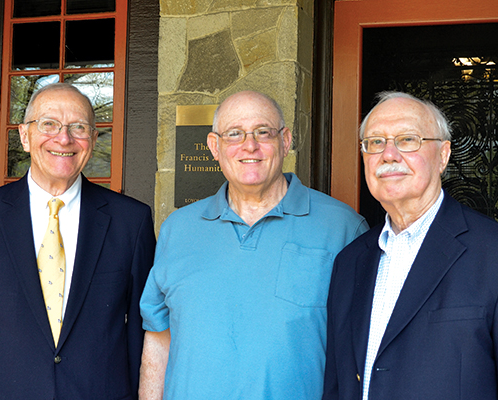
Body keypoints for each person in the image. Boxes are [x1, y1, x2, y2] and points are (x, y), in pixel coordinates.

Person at [139, 90, 368, 400]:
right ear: (214, 146)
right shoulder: (178, 229)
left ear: (285, 140)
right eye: (234, 134)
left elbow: (362, 347)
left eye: (263, 132)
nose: (250, 145)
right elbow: (158, 337)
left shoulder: (342, 227)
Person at [0, 82, 156, 399]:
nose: (64, 138)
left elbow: (143, 333)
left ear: (92, 138)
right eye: (49, 124)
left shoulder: (131, 222)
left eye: (78, 127)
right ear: (25, 136)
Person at [323, 91, 498, 400]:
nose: (389, 154)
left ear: (444, 155)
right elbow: (338, 385)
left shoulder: (496, 254)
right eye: (375, 142)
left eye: (407, 140)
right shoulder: (350, 261)